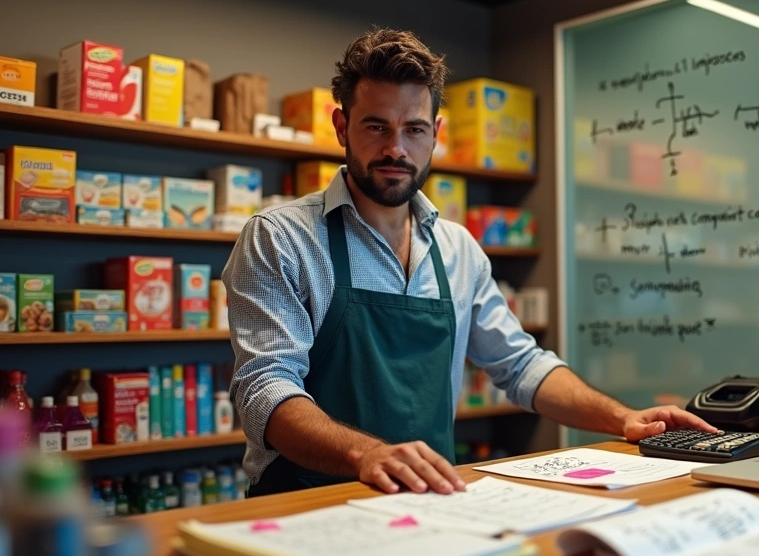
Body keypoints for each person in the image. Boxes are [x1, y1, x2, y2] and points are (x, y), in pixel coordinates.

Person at [224, 28, 716, 497]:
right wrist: (365, 454)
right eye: (376, 126)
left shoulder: (458, 249)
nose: (396, 148)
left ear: (435, 133)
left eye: (414, 129)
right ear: (341, 126)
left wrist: (624, 418)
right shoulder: (280, 238)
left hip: (428, 499)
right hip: (305, 503)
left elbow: (521, 365)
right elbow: (264, 390)